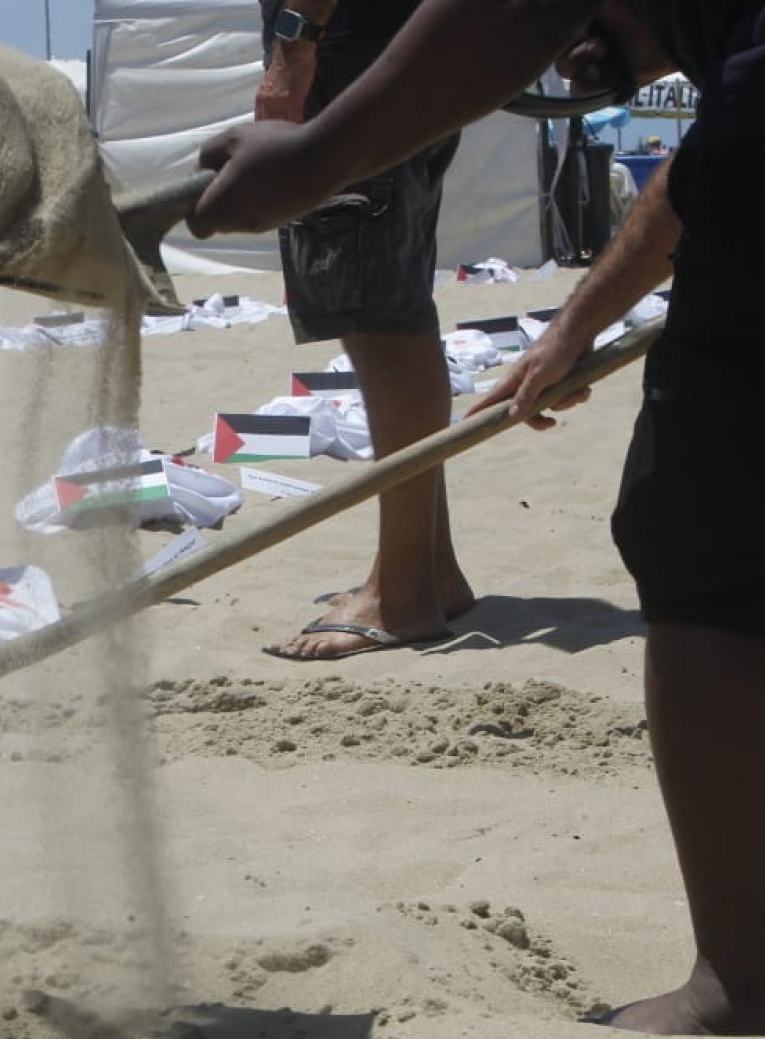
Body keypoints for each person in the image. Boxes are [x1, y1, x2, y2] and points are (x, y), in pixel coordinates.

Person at [191, 1, 765, 1035]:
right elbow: (715, 158)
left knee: (721, 555)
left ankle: (739, 989)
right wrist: (573, 327)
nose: (577, 63)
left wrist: (312, 156)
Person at [248, 0, 473, 662]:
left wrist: (293, 46)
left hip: (349, 44)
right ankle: (431, 569)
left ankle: (402, 595)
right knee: (387, 300)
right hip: (388, 41)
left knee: (378, 314)